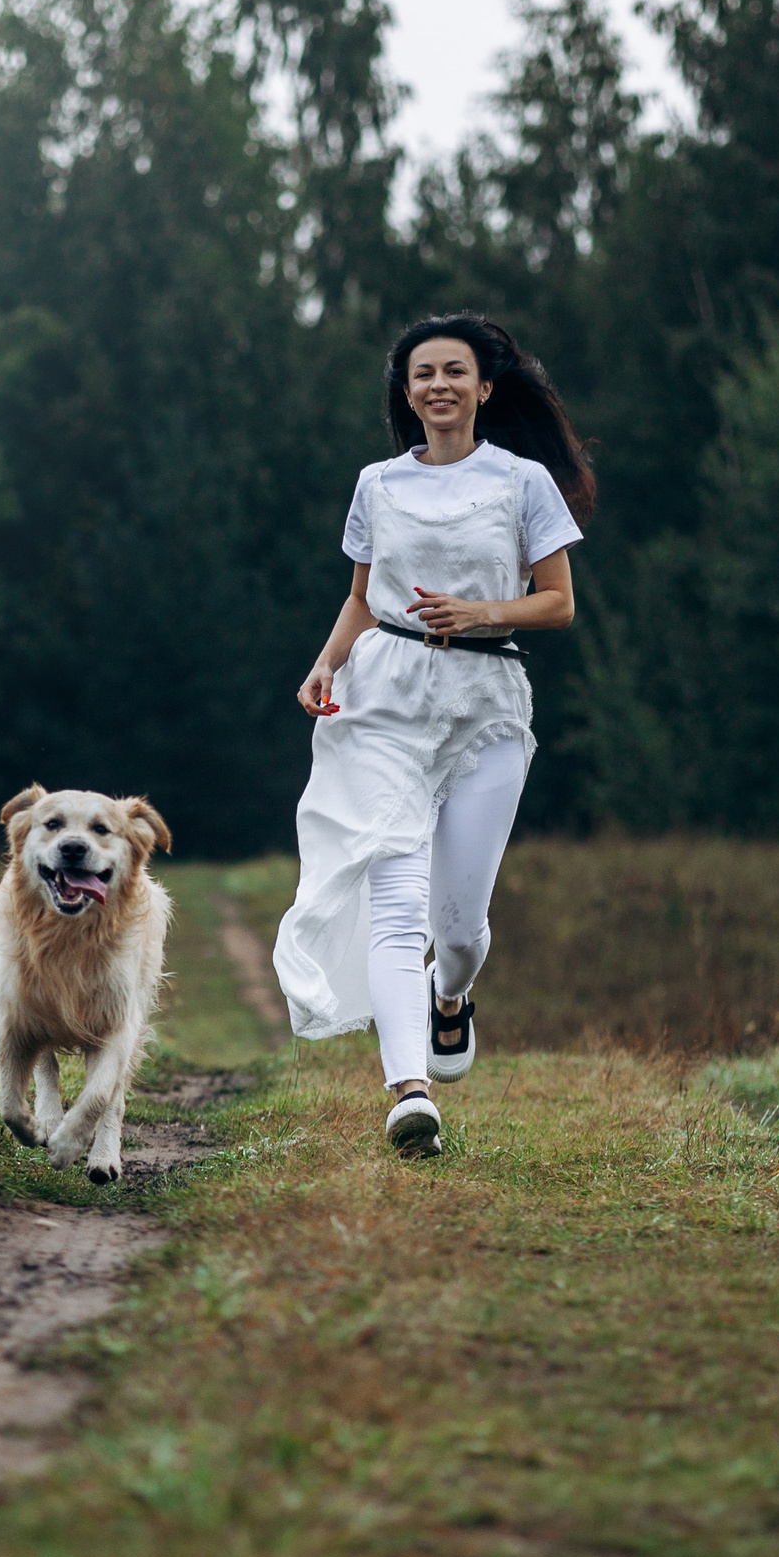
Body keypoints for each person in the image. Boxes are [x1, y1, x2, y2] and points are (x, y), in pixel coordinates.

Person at [272, 313, 592, 1156]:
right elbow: (359, 595)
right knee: (396, 898)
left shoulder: (523, 482)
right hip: (384, 698)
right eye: (422, 375)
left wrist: (481, 610)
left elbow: (558, 602)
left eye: (454, 372)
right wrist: (325, 664)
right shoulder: (377, 483)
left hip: (486, 698)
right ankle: (408, 1092)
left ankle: (451, 997)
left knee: (456, 922)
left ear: (485, 387)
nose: (438, 386)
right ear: (405, 394)